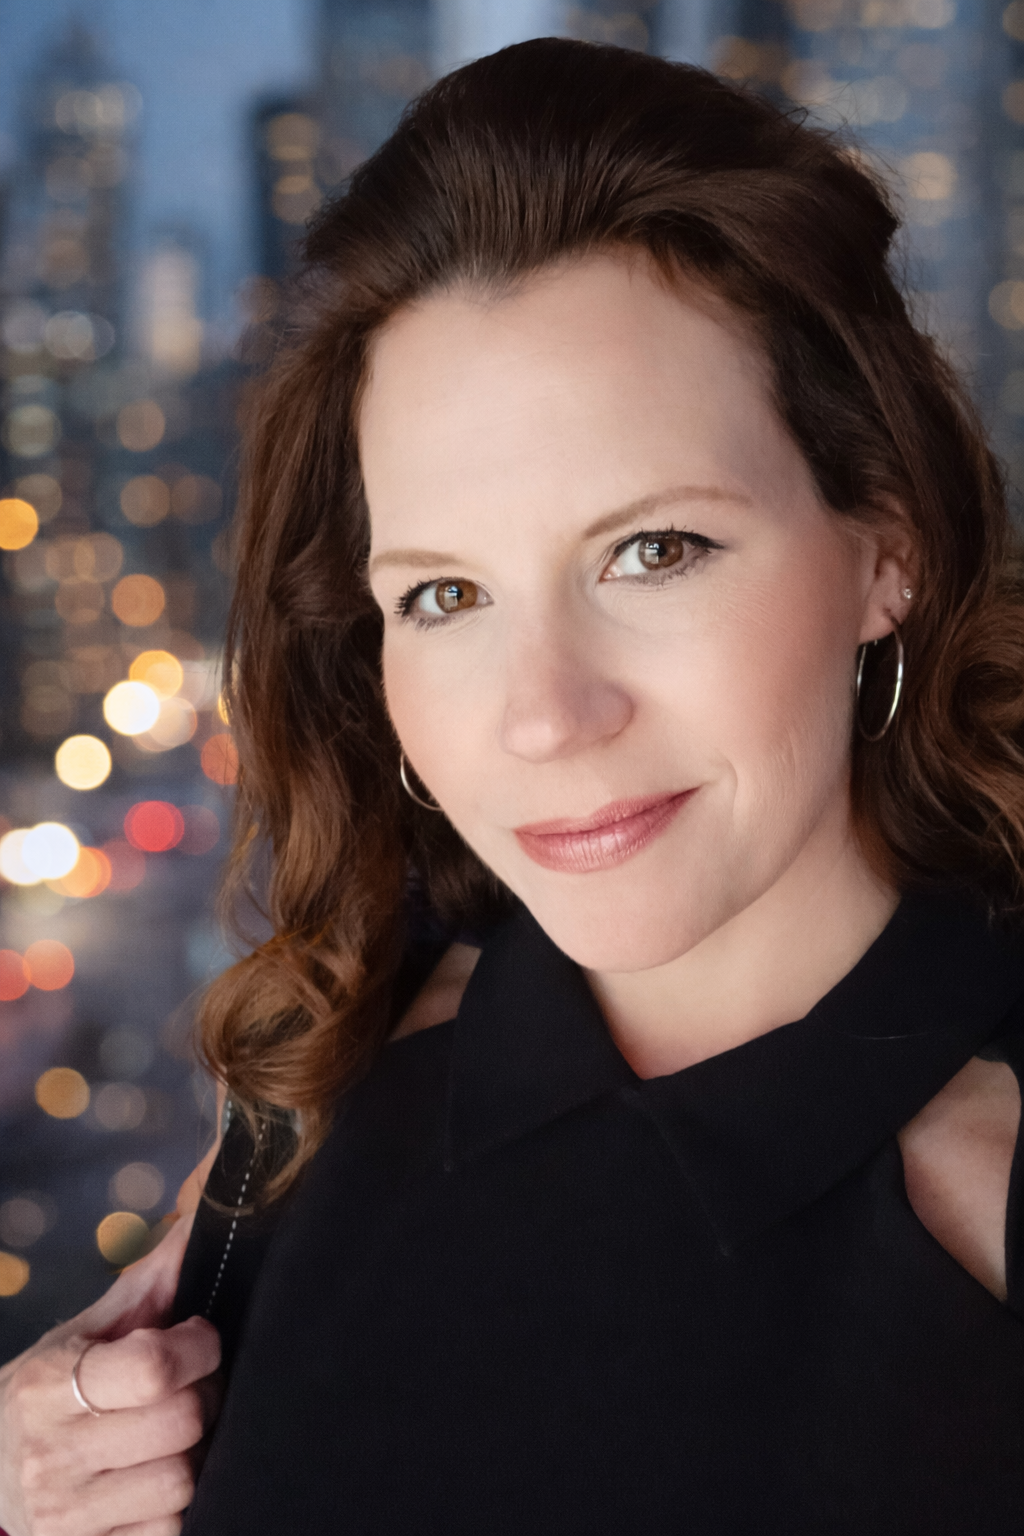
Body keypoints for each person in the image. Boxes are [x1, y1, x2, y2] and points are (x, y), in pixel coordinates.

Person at [2, 36, 1024, 1535]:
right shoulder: (320, 1089)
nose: (544, 718)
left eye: (654, 551)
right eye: (444, 596)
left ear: (887, 549)